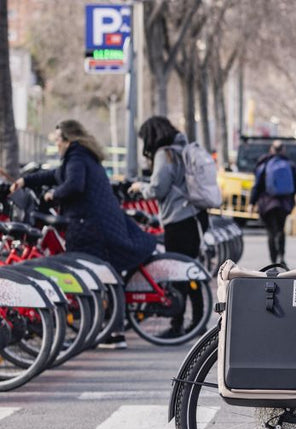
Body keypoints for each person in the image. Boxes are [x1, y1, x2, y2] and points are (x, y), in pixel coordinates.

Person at [4, 119, 157, 349]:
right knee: (103, 277)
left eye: (57, 141)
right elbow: (56, 174)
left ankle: (111, 332)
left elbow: (74, 184)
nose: (57, 146)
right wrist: (26, 180)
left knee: (93, 278)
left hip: (89, 226)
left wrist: (53, 196)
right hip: (99, 223)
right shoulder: (82, 156)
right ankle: (106, 330)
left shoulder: (76, 157)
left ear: (68, 139)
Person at [130, 116, 204, 338]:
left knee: (177, 270)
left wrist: (139, 187)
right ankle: (198, 320)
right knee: (189, 269)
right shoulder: (182, 149)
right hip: (193, 216)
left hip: (177, 219)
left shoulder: (166, 154)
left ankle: (177, 324)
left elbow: (158, 188)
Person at [249, 141, 296, 267]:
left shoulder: (265, 164)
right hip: (284, 203)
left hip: (267, 204)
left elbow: (257, 185)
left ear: (271, 149)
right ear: (283, 150)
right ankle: (282, 256)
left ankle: (273, 260)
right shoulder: (289, 164)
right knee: (280, 230)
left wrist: (252, 202)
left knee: (271, 232)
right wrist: (290, 193)